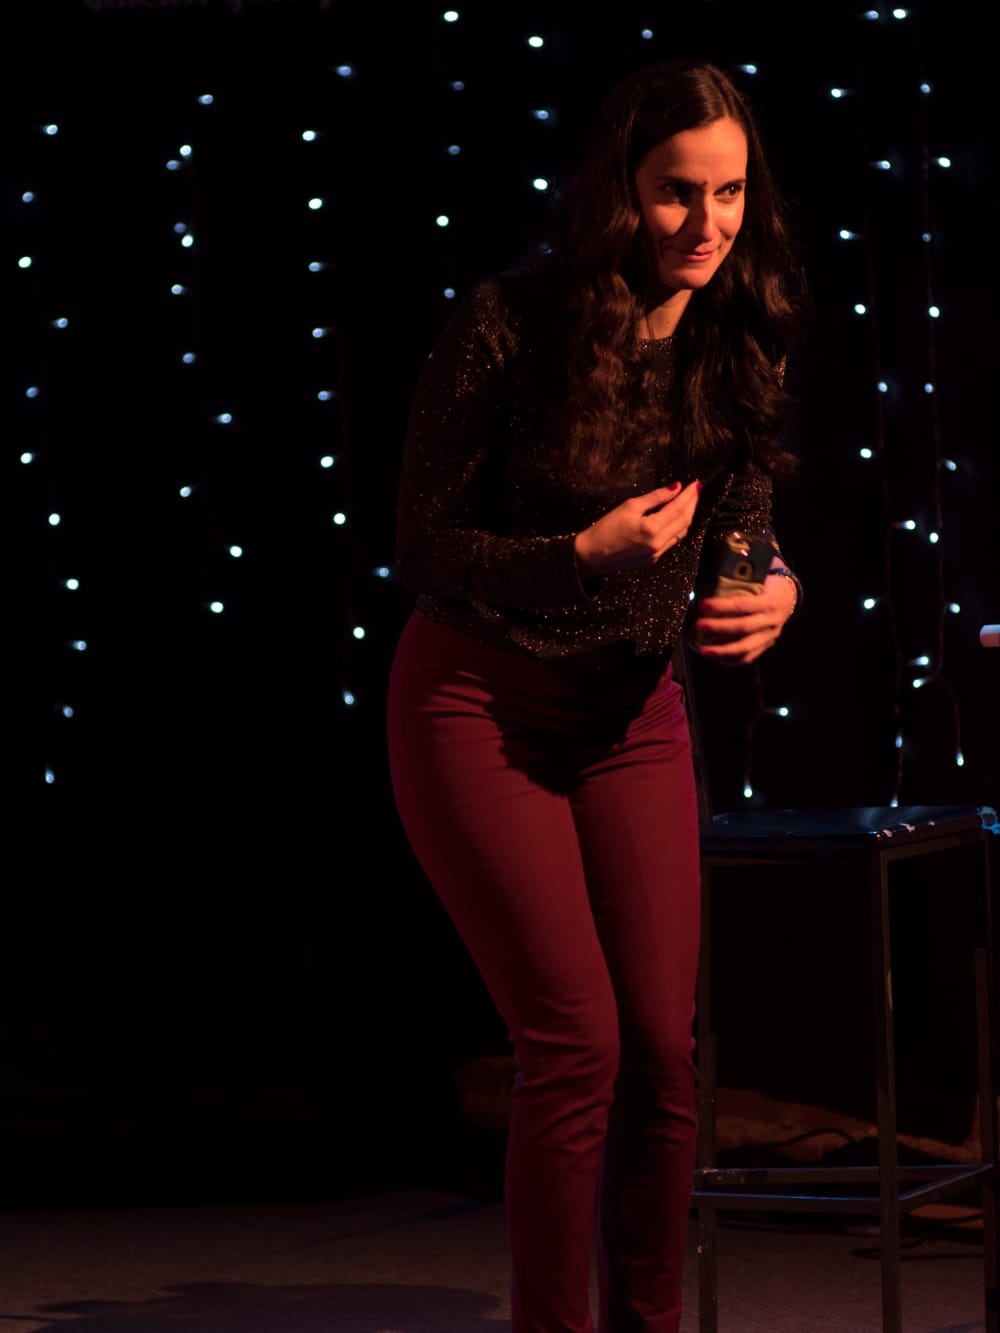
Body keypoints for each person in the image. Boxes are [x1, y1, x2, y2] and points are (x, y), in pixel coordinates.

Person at [386, 58, 806, 1333]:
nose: (706, 224)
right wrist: (581, 555)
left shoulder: (742, 324)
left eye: (727, 193)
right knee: (574, 1047)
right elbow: (422, 544)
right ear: (620, 189)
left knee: (664, 1056)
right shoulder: (512, 320)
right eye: (678, 194)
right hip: (479, 705)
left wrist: (773, 585)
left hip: (630, 719)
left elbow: (741, 526)